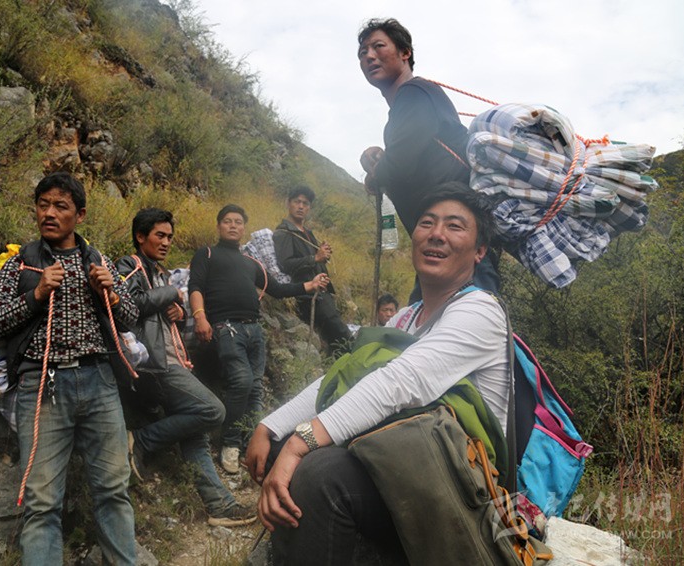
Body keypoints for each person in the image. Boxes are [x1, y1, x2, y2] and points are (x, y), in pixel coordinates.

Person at [245, 182, 509, 564]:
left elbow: (401, 382)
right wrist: (269, 427)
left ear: (479, 250)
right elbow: (342, 378)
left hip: (459, 487)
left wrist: (302, 441)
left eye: (454, 226)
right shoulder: (406, 317)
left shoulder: (480, 311)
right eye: (427, 223)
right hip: (405, 466)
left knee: (321, 474)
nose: (436, 234)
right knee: (280, 446)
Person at [0, 172, 138, 565]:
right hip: (42, 385)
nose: (49, 213)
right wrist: (36, 293)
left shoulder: (98, 261)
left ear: (79, 215)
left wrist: (112, 295)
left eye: (60, 206)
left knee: (114, 490)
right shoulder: (21, 264)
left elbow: (131, 319)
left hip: (99, 380)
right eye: (43, 204)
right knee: (42, 502)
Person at [115, 207, 256, 527]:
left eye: (170, 237)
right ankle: (140, 439)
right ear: (140, 237)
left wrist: (177, 313)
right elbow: (127, 306)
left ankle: (219, 506)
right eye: (159, 235)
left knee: (196, 435)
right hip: (152, 364)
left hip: (172, 359)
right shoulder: (129, 265)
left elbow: (158, 315)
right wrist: (171, 294)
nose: (166, 242)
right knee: (213, 411)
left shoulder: (160, 274)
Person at [357, 18, 499, 301]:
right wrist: (379, 160)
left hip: (456, 241)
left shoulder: (414, 93)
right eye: (363, 53)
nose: (369, 56)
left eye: (378, 46)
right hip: (445, 244)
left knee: (470, 317)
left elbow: (400, 165)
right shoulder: (409, 103)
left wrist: (374, 174)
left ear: (405, 53)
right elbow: (408, 154)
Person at [188, 204, 329, 475]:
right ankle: (230, 443)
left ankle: (249, 444)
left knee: (254, 389)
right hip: (226, 327)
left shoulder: (252, 263)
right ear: (218, 226)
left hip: (254, 329)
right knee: (241, 381)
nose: (233, 225)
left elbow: (277, 289)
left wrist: (309, 285)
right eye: (227, 221)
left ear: (244, 228)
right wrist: (199, 316)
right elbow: (195, 286)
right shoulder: (207, 253)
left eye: (238, 222)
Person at [273, 186, 352, 356]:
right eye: (297, 202)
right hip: (306, 294)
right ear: (288, 203)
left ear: (309, 208)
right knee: (340, 331)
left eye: (305, 203)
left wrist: (323, 255)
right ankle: (357, 359)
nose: (301, 206)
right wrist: (315, 258)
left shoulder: (307, 233)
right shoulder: (283, 233)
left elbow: (316, 259)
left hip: (322, 292)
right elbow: (285, 264)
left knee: (335, 332)